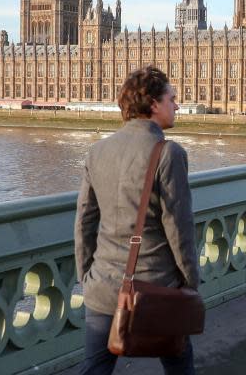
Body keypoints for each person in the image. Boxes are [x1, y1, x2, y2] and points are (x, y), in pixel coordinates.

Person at [75, 66, 201, 375]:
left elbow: (84, 224)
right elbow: (179, 228)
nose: (177, 105)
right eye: (172, 99)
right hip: (156, 289)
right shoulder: (169, 153)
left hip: (103, 286)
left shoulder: (97, 151)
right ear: (154, 104)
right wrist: (190, 282)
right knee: (179, 364)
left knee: (96, 369)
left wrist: (87, 278)